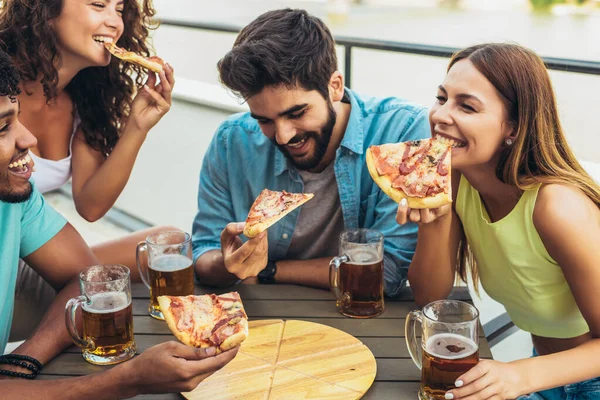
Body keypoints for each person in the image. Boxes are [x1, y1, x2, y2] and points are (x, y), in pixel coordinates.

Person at [0, 49, 238, 397]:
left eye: (17, 119)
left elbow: (85, 279)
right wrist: (127, 379)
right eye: (4, 127)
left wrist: (21, 362)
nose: (29, 140)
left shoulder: (15, 198)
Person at [396, 43, 600, 399]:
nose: (440, 115)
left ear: (514, 127)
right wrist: (435, 212)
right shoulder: (457, 179)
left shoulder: (557, 206)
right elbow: (429, 296)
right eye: (441, 98)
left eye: (467, 106)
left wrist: (519, 377)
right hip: (543, 375)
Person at [192, 8, 430, 295]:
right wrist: (228, 263)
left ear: (335, 87)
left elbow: (385, 272)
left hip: (359, 313)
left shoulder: (403, 132)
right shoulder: (231, 140)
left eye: (297, 113)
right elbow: (203, 251)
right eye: (264, 120)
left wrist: (269, 269)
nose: (282, 136)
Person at [0, 0, 178, 341]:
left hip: (33, 249)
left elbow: (91, 205)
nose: (115, 22)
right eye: (99, 5)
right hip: (7, 249)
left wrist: (137, 127)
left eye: (120, 10)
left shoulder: (87, 97)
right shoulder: (1, 79)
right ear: (47, 11)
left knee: (166, 242)